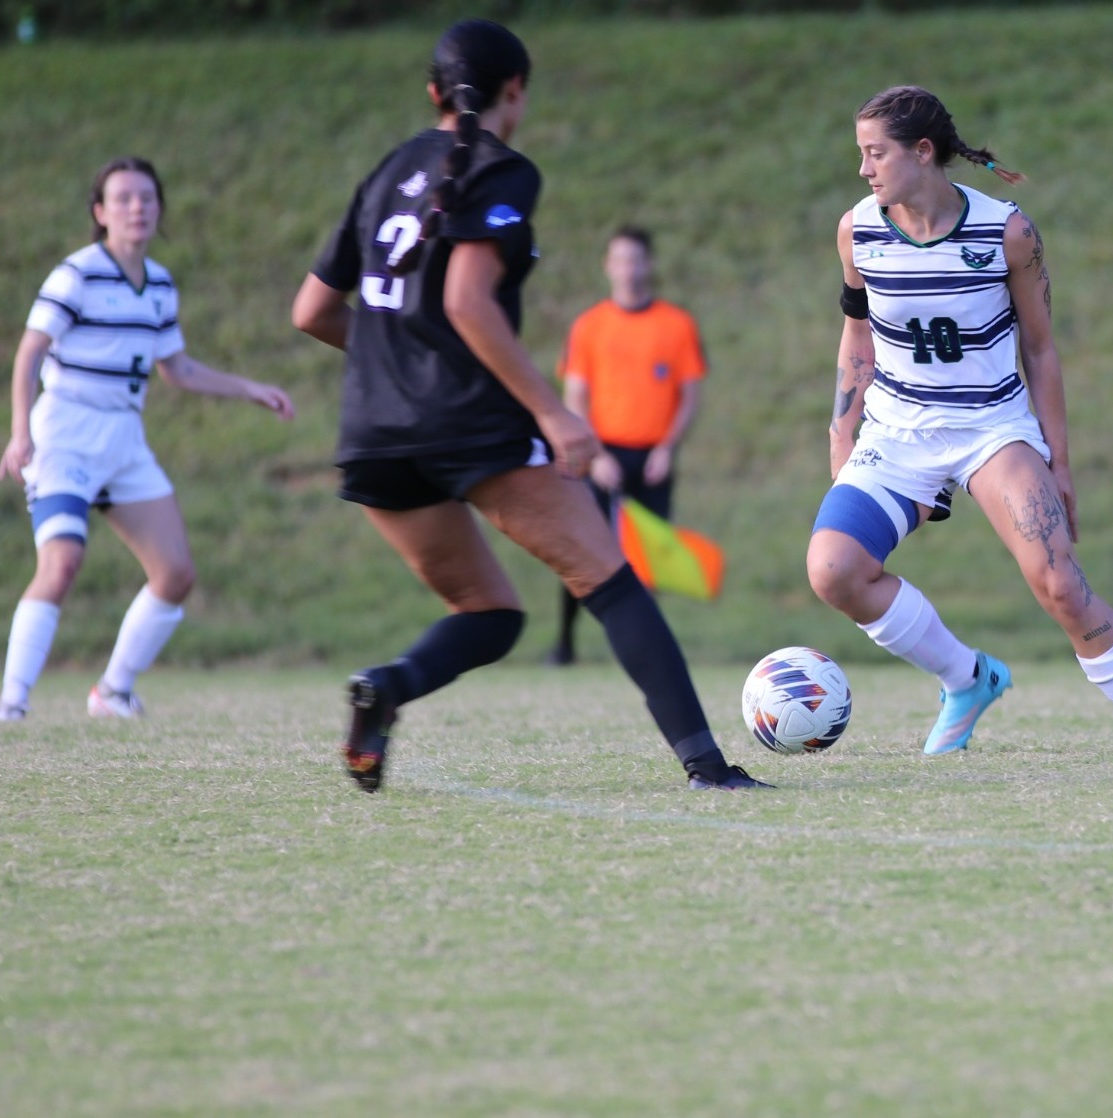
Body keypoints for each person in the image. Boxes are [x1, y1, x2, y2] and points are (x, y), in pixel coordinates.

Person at [290, 19, 767, 792]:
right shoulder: (503, 170)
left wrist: (395, 358)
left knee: (492, 612)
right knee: (611, 584)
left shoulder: (385, 171)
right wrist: (551, 413)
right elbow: (467, 302)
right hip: (469, 424)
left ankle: (387, 687)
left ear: (433, 92)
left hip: (372, 432)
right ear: (515, 93)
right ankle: (708, 768)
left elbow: (310, 312)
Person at [808, 86, 1113, 756]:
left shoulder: (1007, 232)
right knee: (833, 570)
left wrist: (1059, 462)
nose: (863, 169)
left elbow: (1041, 348)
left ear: (922, 152)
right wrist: (840, 435)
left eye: (874, 153)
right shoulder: (858, 231)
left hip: (991, 429)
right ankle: (967, 680)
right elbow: (857, 337)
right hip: (897, 432)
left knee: (1060, 583)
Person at [0, 156, 296, 721]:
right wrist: (18, 431)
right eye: (125, 198)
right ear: (100, 211)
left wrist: (250, 388)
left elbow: (176, 369)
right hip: (65, 432)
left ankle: (112, 692)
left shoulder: (158, 284)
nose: (138, 208)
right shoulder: (76, 274)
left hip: (123, 439)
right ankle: (12, 705)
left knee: (176, 573)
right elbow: (30, 352)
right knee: (61, 563)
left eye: (148, 198)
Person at [547, 225, 706, 665]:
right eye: (620, 260)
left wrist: (667, 448)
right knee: (581, 549)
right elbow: (575, 396)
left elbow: (689, 397)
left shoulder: (676, 325)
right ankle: (564, 644)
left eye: (636, 260)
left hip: (653, 456)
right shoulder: (590, 326)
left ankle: (646, 653)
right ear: (608, 267)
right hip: (602, 455)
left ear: (648, 265)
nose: (629, 270)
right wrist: (594, 454)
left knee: (649, 557)